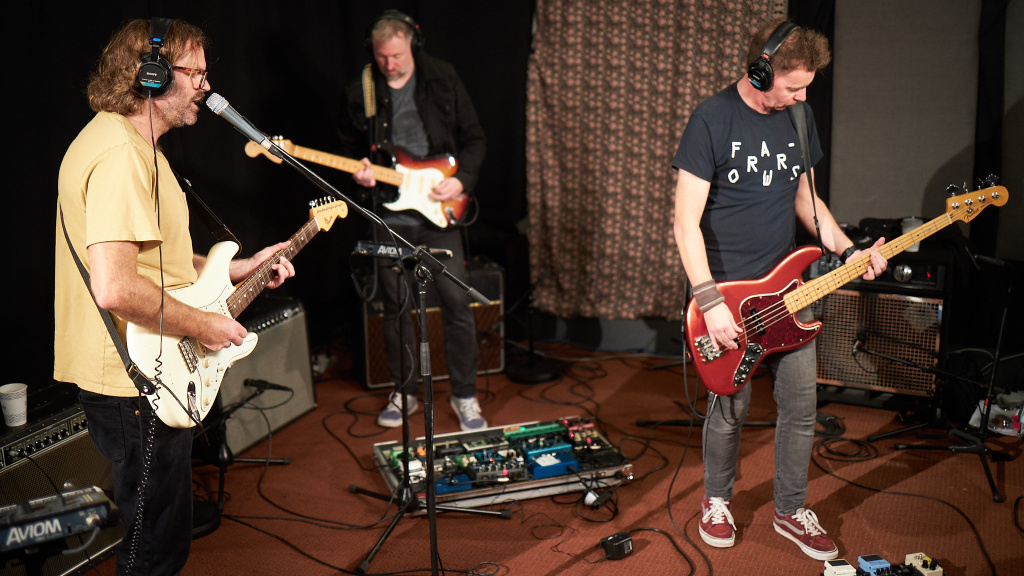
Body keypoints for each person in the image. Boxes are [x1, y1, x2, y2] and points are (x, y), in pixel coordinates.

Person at [54, 18, 295, 575]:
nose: (207, 88)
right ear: (152, 75)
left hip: (142, 370)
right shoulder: (120, 156)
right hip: (132, 378)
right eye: (197, 74)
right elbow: (113, 285)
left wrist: (236, 269)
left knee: (160, 538)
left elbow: (151, 259)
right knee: (154, 551)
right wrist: (203, 326)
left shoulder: (136, 147)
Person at [671, 18, 887, 561]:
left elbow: (806, 202)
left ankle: (790, 509)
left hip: (790, 292)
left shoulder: (799, 116)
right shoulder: (711, 119)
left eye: (807, 86)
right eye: (794, 85)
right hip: (728, 296)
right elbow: (683, 222)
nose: (803, 95)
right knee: (729, 407)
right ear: (760, 70)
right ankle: (717, 499)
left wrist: (847, 249)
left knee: (800, 407)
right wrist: (709, 299)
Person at [337, 10, 488, 431]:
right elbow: (349, 149)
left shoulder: (442, 77)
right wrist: (359, 170)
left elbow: (476, 139)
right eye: (383, 57)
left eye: (398, 56)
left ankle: (465, 396)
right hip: (387, 215)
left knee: (458, 304)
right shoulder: (360, 90)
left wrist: (460, 181)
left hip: (439, 213)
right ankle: (404, 393)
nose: (390, 65)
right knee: (395, 308)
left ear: (412, 46)